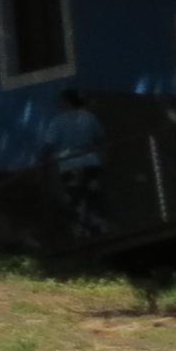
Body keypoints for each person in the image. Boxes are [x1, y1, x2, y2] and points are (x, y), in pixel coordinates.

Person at [50, 89, 109, 239]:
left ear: (67, 102)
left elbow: (50, 143)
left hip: (69, 164)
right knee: (93, 194)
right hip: (90, 161)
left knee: (75, 197)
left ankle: (82, 232)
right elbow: (100, 137)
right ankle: (100, 227)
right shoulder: (89, 117)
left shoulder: (58, 121)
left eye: (62, 101)